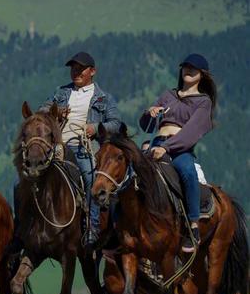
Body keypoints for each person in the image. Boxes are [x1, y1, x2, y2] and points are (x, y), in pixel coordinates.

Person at [40, 51, 120, 247]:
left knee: (91, 178)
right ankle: (27, 226)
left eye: (80, 68)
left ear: (92, 71)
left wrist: (96, 128)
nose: (76, 72)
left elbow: (116, 123)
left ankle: (92, 227)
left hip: (84, 147)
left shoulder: (103, 98)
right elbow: (41, 111)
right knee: (27, 178)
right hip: (58, 147)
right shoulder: (60, 92)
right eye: (73, 68)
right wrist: (55, 112)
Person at [139, 53, 216, 253]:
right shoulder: (168, 95)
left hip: (179, 147)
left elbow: (191, 132)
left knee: (187, 171)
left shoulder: (203, 101)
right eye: (185, 67)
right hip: (157, 142)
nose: (188, 71)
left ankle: (193, 226)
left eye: (193, 68)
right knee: (131, 172)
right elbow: (147, 127)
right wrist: (150, 113)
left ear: (202, 75)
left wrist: (167, 147)